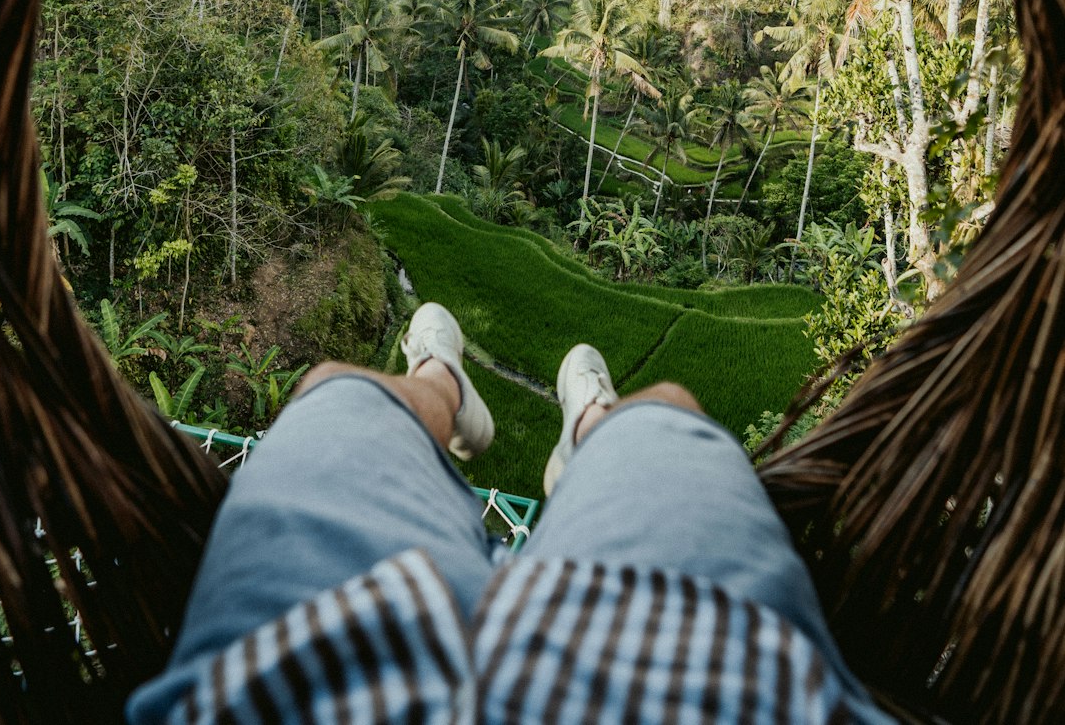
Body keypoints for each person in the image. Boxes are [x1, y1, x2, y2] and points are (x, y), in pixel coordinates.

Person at [128, 302, 895, 724]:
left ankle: (442, 381)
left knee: (335, 389)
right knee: (665, 411)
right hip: (708, 676)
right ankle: (588, 427)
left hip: (298, 670)